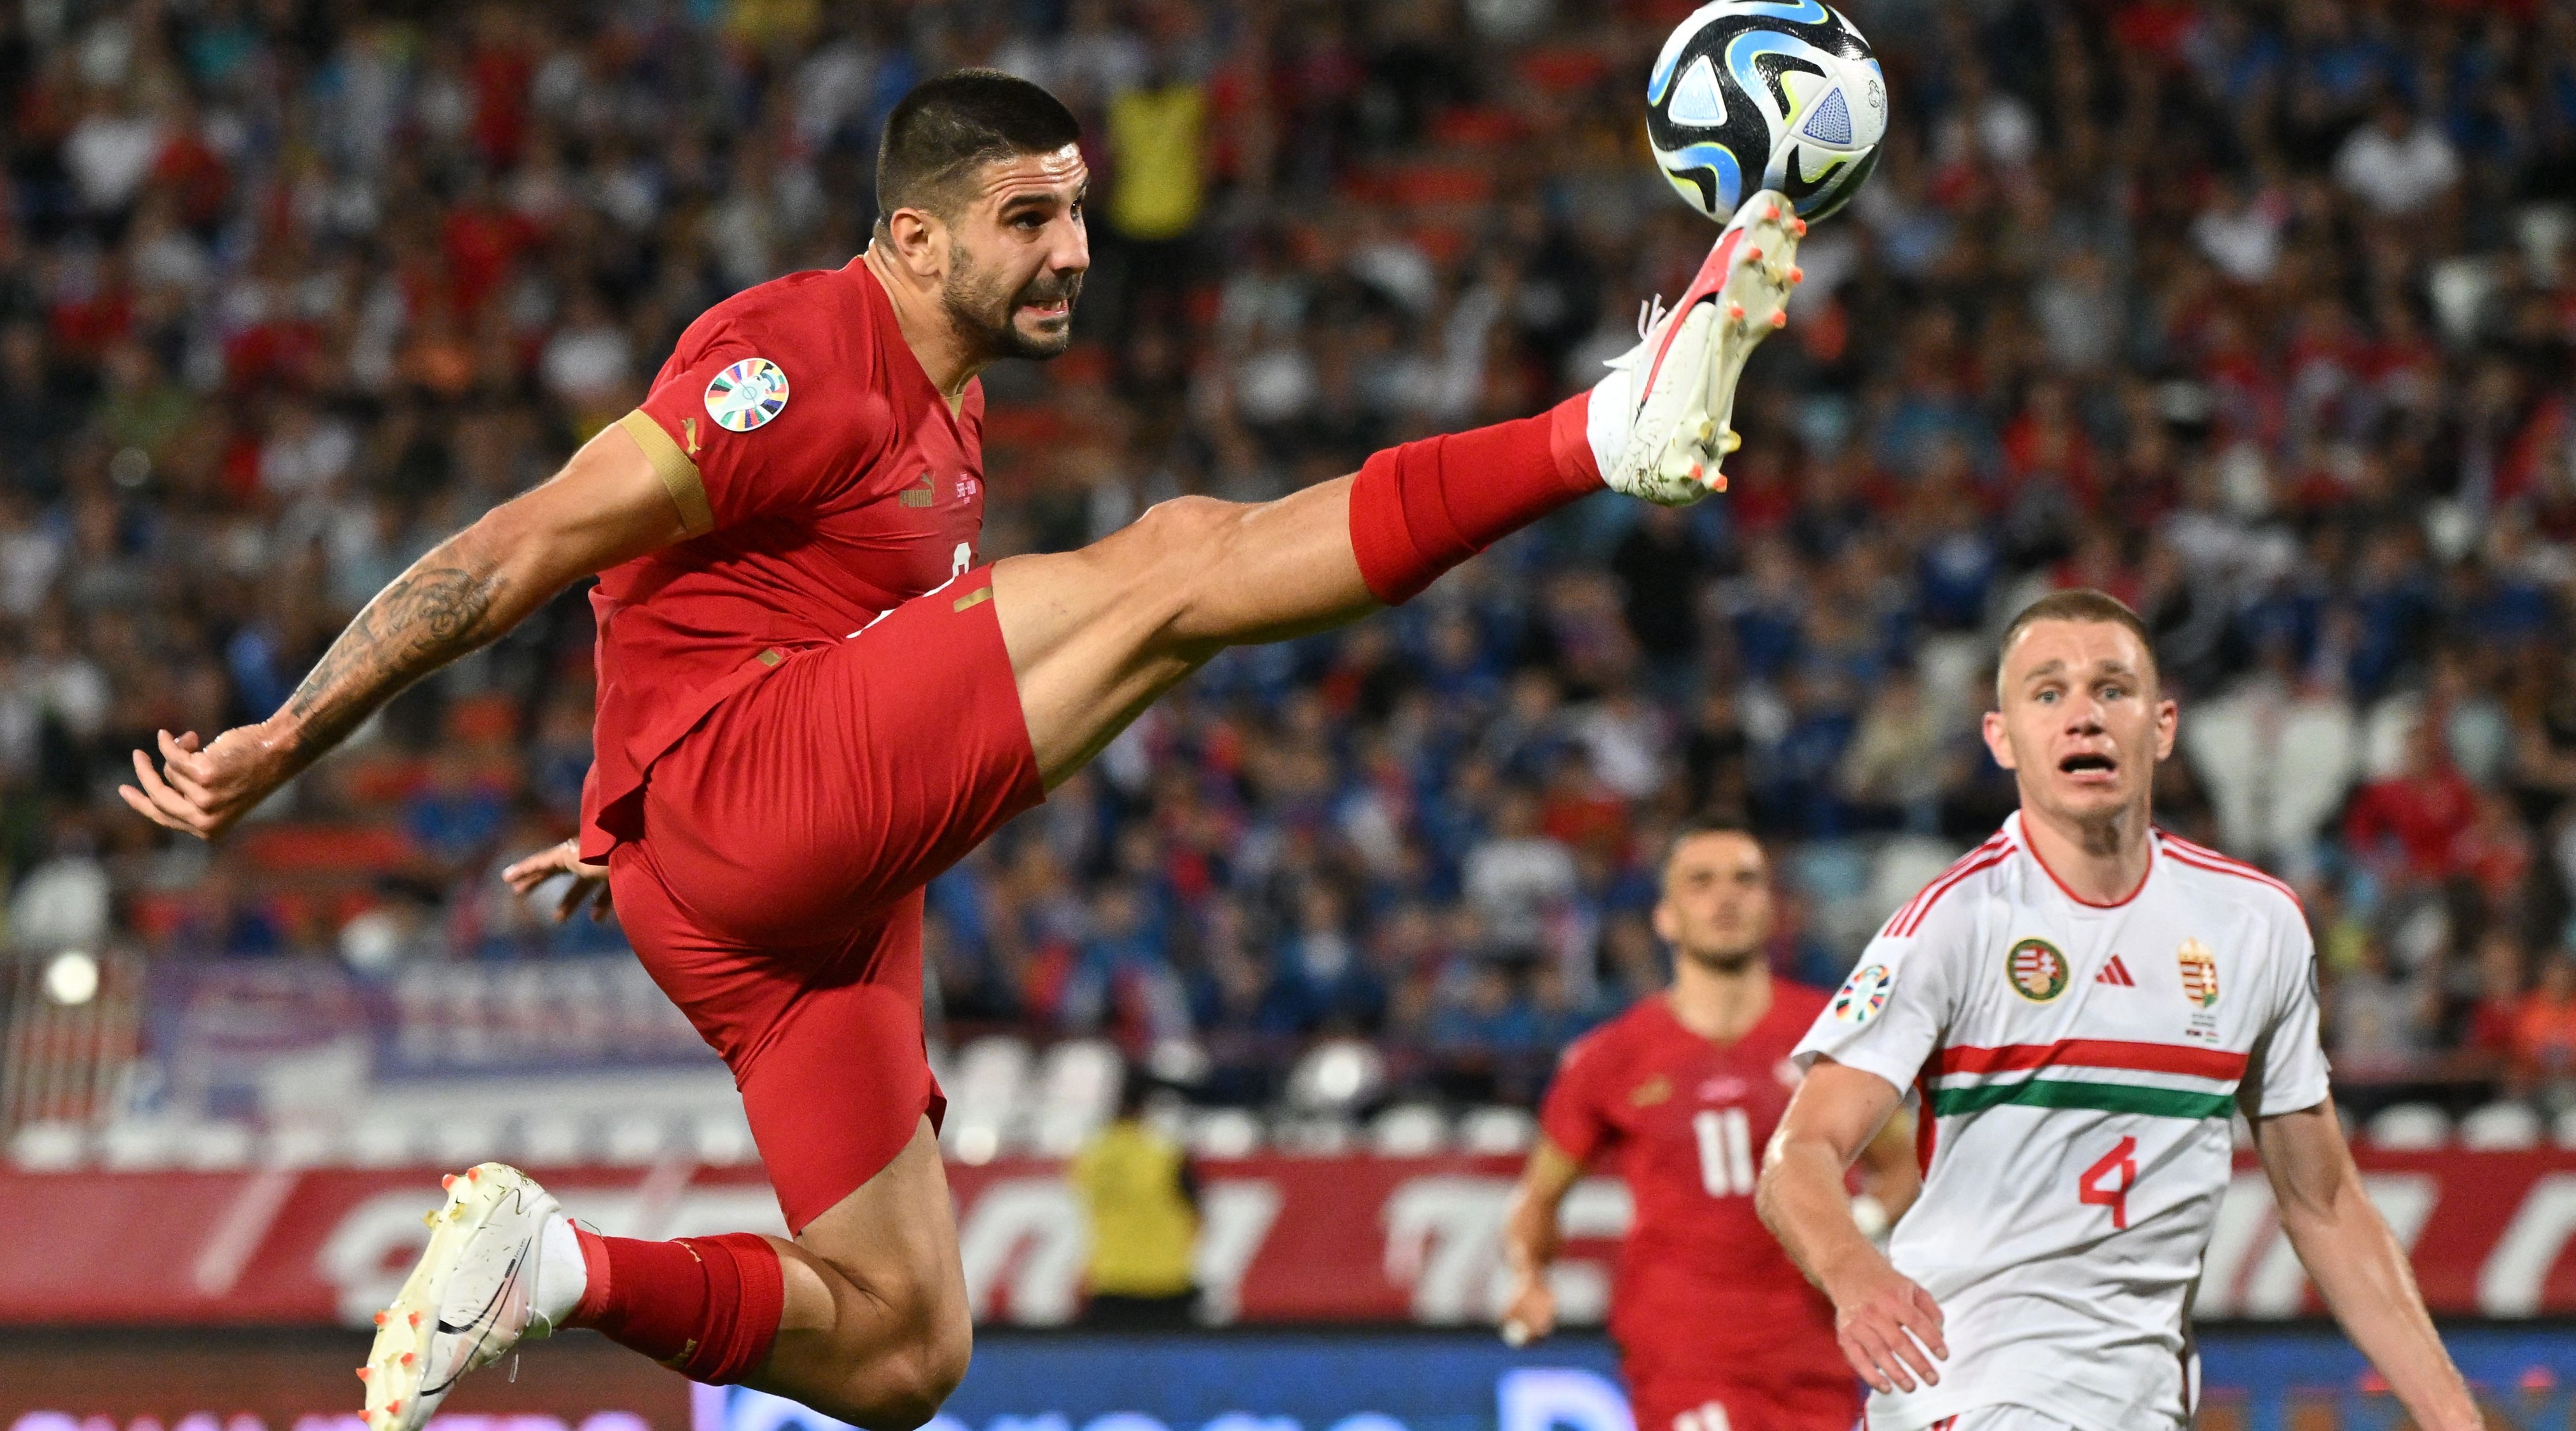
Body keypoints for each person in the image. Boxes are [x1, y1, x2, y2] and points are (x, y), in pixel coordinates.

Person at [116, 69, 1809, 1431]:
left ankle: (551, 1266)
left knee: (906, 1354)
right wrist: (287, 736)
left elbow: (681, 604)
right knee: (1173, 568)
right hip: (744, 811)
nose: (1073, 251)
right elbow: (523, 546)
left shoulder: (954, 393)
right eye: (1028, 218)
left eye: (1076, 210)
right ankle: (1609, 426)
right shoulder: (792, 360)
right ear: (914, 241)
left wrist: (620, 813)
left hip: (763, 895)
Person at [1755, 590, 2476, 1431]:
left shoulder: (2254, 924)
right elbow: (1798, 1151)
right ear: (2001, 737)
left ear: (2162, 725)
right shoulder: (1954, 921)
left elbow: (2322, 1204)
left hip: (2145, 1404)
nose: (2083, 717)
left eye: (2112, 688)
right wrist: (1851, 1270)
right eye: (2047, 692)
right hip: (1979, 1392)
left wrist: (2453, 1417)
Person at [1501, 820, 1918, 1431]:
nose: (1725, 897)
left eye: (1745, 880)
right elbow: (1539, 1197)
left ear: (1772, 908)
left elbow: (1905, 1163)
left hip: (1814, 1350)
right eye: (1701, 883)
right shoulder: (1611, 1057)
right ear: (1665, 917)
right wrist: (1529, 1278)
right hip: (1683, 1350)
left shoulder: (1827, 1035)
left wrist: (1858, 1226)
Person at [1069, 1071, 1200, 1329]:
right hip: (1167, 1284)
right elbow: (1198, 1213)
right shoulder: (1166, 1154)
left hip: (1110, 1283)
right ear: (1146, 1107)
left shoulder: (1088, 1156)